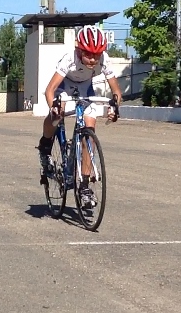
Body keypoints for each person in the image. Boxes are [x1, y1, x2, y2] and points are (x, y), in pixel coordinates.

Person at [37, 25, 122, 210]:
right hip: (64, 85)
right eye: (88, 54)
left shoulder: (104, 60)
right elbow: (50, 91)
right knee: (57, 115)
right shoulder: (70, 60)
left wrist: (114, 107)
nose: (92, 59)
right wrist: (54, 108)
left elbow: (116, 92)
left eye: (96, 55)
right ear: (78, 50)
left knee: (89, 133)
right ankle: (45, 145)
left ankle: (83, 186)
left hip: (86, 88)